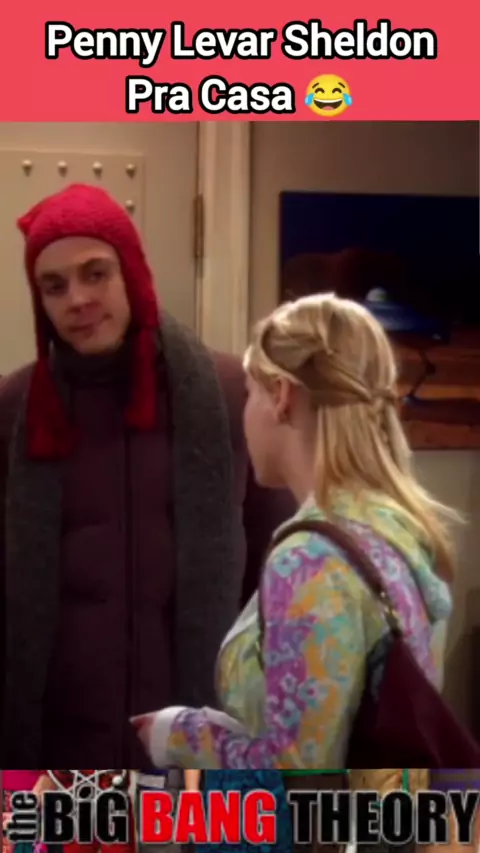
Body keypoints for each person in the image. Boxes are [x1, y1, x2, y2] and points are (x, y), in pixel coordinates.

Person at [0, 183, 294, 768]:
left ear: (131, 273)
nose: (78, 299)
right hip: (54, 749)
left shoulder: (230, 394)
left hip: (200, 741)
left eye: (95, 273)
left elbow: (276, 573)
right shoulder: (14, 409)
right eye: (54, 286)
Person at [133, 292, 457, 768]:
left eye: (250, 394)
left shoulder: (311, 561)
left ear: (282, 396)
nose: (245, 415)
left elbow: (299, 777)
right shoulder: (400, 527)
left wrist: (181, 735)